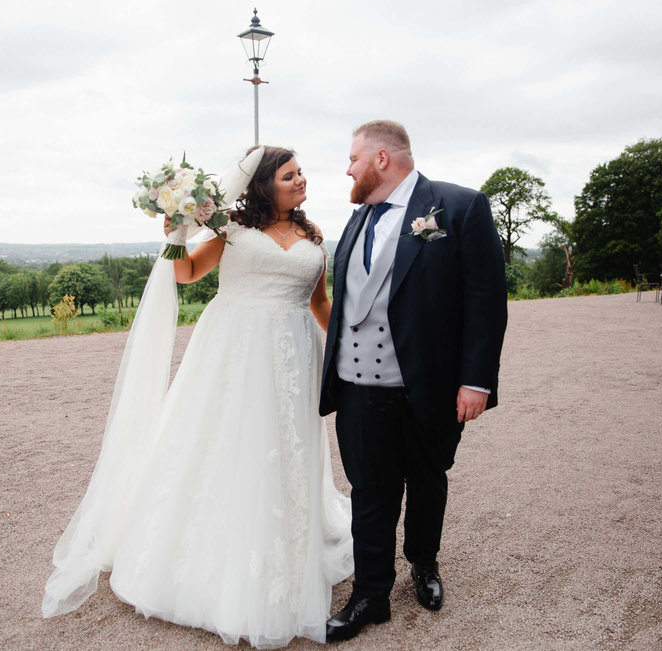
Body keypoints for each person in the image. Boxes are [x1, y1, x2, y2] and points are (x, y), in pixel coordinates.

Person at [42, 146, 353, 649]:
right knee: (227, 442)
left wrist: (350, 341)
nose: (301, 181)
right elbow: (186, 274)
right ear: (263, 185)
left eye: (302, 174)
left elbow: (319, 302)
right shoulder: (231, 230)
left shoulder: (313, 236)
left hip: (293, 357)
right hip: (234, 350)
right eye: (290, 175)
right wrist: (175, 237)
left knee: (285, 447)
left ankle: (289, 545)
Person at [320, 120, 508, 641]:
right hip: (358, 387)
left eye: (353, 159)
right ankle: (370, 595)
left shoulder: (460, 206)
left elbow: (485, 303)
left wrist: (476, 381)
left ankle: (424, 564)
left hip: (429, 385)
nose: (348, 168)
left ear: (382, 158)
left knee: (427, 479)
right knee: (370, 491)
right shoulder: (358, 219)